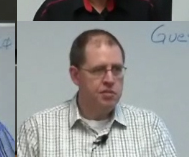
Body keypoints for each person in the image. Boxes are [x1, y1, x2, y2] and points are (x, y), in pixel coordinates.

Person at [17, 29, 176, 156]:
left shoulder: (150, 127)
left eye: (117, 69)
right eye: (99, 70)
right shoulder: (37, 128)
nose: (110, 79)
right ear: (76, 75)